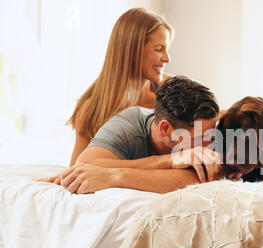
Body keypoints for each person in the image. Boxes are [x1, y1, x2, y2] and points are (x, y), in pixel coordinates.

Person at [43, 76, 224, 194]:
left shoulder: (214, 131)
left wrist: (115, 176)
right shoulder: (129, 126)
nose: (208, 144)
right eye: (199, 138)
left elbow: (196, 180)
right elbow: (83, 166)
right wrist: (170, 160)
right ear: (165, 129)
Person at [67, 8, 174, 166]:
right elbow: (76, 171)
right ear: (132, 50)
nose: (167, 58)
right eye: (159, 49)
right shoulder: (92, 108)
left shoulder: (171, 92)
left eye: (167, 49)